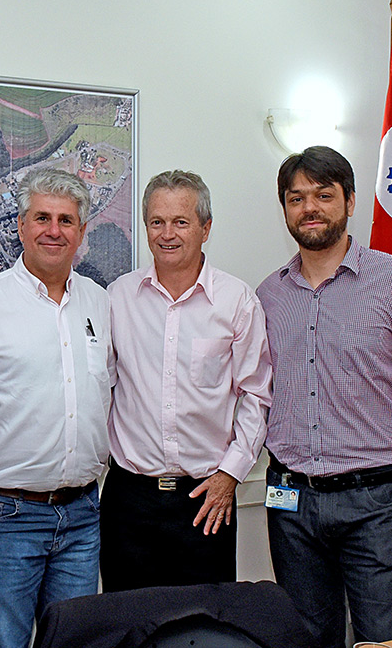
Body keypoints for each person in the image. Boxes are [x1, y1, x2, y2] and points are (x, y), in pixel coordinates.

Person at [256, 146, 392, 647]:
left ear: (350, 201)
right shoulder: (267, 295)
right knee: (306, 638)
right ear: (284, 208)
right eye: (296, 197)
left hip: (377, 505)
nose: (310, 207)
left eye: (323, 195)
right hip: (290, 504)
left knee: (390, 638)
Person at [0, 167, 113, 648]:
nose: (54, 230)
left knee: (75, 642)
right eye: (41, 217)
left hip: (84, 512)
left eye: (67, 220)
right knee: (3, 643)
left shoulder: (100, 302)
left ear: (82, 233)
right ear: (21, 225)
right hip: (7, 516)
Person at [100, 170, 272, 592]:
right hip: (129, 501)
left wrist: (231, 475)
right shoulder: (117, 297)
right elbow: (99, 387)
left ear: (205, 228)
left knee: (203, 626)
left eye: (181, 222)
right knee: (130, 626)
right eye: (157, 222)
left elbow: (256, 395)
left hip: (207, 500)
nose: (167, 234)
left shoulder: (236, 300)